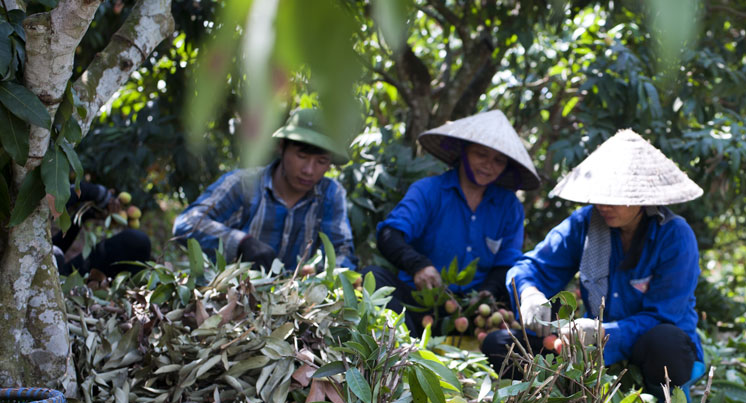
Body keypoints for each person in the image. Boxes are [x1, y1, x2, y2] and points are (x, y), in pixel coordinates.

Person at [482, 129, 705, 398]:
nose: (604, 204)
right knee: (499, 345)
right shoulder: (585, 224)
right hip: (588, 348)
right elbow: (530, 267)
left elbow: (662, 316)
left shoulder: (674, 236)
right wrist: (529, 294)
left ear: (641, 197)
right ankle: (567, 393)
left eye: (615, 196)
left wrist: (602, 333)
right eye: (600, 194)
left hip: (650, 350)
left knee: (665, 343)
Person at [367, 110, 540, 330]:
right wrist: (418, 265)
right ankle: (401, 345)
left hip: (472, 313)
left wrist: (486, 293)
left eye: (498, 160)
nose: (488, 165)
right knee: (372, 277)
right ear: (463, 152)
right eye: (481, 154)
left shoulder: (510, 207)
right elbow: (389, 234)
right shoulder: (429, 191)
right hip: (417, 302)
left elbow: (507, 261)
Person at [173, 108, 357, 272]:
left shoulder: (330, 195)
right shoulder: (244, 184)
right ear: (281, 147)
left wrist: (322, 274)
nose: (309, 170)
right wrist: (242, 243)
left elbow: (342, 251)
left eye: (321, 162)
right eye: (301, 156)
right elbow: (186, 224)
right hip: (233, 293)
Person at [53, 181, 151, 278]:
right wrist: (95, 193)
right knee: (138, 242)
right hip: (55, 282)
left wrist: (88, 212)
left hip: (57, 273)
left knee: (137, 242)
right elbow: (54, 202)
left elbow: (50, 248)